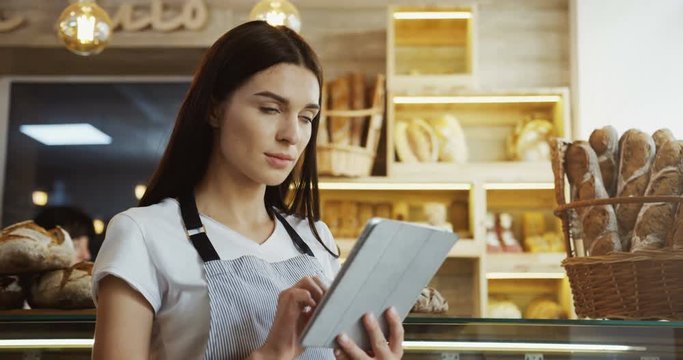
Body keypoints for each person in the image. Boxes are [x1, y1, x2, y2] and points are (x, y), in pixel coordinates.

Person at [91, 21, 404, 360]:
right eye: (271, 109)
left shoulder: (316, 239)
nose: (291, 135)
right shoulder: (143, 234)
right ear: (214, 109)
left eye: (306, 117)